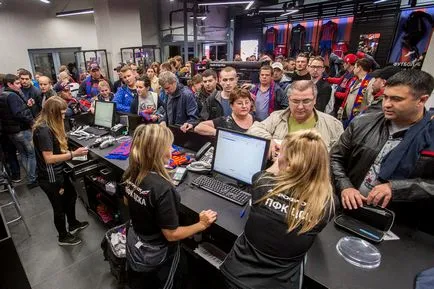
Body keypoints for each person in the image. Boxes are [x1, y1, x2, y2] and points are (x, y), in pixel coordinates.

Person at [221, 130, 335, 289]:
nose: (277, 156)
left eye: (281, 153)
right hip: (279, 284)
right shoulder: (327, 205)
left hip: (236, 275)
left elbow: (266, 175)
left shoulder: (262, 183)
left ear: (290, 163)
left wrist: (279, 164)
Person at [330, 70, 434, 229]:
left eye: (396, 99)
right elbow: (335, 157)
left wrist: (397, 188)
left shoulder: (430, 136)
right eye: (385, 97)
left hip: (400, 226)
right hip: (346, 211)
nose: (387, 104)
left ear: (422, 100)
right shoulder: (363, 123)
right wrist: (345, 186)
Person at [123, 124, 217, 289]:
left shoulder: (131, 171)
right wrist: (201, 224)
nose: (172, 150)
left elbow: (126, 201)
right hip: (159, 251)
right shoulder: (164, 188)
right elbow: (172, 235)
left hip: (137, 239)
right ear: (159, 152)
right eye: (169, 146)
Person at [33, 96, 89, 245]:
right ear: (53, 113)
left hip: (59, 171)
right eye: (62, 114)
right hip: (51, 176)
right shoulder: (44, 130)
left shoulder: (49, 126)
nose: (64, 117)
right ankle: (63, 236)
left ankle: (73, 223)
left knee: (71, 196)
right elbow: (49, 158)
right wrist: (73, 154)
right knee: (59, 207)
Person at [248, 80, 344, 153]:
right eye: (295, 101)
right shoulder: (276, 117)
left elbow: (340, 158)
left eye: (306, 101)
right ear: (288, 100)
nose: (300, 107)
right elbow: (254, 129)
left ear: (314, 100)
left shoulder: (333, 125)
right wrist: (269, 141)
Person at [0, 74, 37, 187]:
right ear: (9, 84)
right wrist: (31, 122)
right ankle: (33, 179)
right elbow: (18, 113)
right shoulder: (12, 96)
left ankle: (30, 177)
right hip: (21, 130)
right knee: (31, 154)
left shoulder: (2, 94)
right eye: (17, 83)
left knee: (24, 154)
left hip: (11, 132)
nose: (20, 85)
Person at [338, 58, 374, 127]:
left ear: (359, 68)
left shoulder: (370, 83)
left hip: (358, 122)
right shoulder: (355, 80)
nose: (353, 69)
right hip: (346, 117)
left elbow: (371, 104)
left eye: (355, 67)